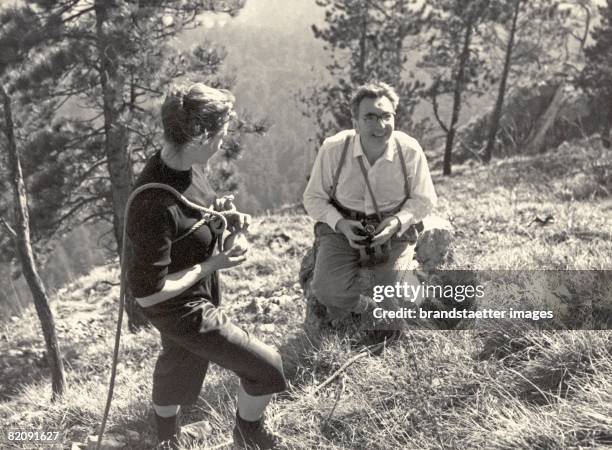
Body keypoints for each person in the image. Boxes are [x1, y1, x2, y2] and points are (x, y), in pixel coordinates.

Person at [126, 83, 286, 449]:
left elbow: (193, 215)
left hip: (198, 290)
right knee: (268, 368)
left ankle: (166, 439)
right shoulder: (152, 204)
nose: (224, 141)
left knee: (181, 359)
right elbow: (149, 296)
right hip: (178, 305)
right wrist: (214, 262)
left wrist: (225, 221)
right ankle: (249, 434)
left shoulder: (185, 166)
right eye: (223, 133)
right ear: (199, 133)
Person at [303, 81, 438, 324]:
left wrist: (397, 222)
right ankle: (366, 308)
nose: (381, 125)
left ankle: (396, 302)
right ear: (355, 122)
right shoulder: (334, 149)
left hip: (393, 229)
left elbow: (424, 199)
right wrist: (341, 224)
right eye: (370, 117)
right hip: (344, 227)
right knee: (326, 290)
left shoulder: (409, 151)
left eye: (387, 116)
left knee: (397, 296)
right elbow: (313, 198)